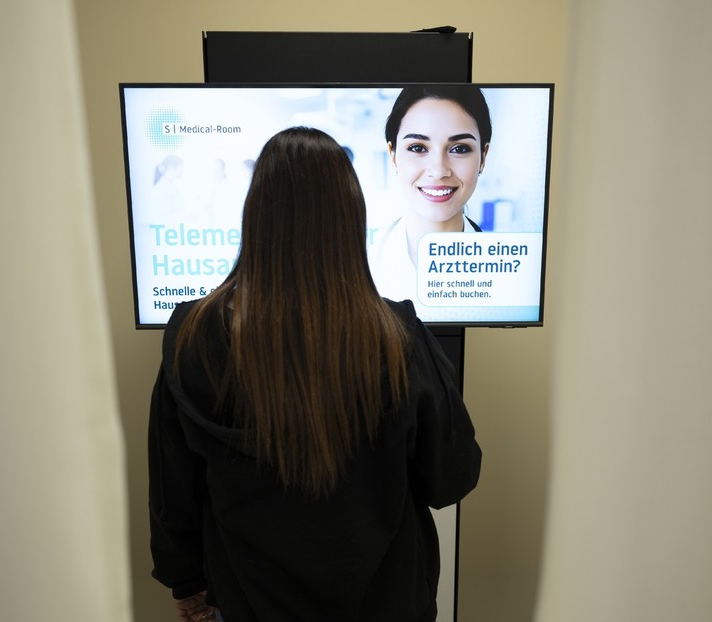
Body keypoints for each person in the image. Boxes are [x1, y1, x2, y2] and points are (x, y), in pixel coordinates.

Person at [148, 127, 482, 622]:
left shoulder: (194, 334)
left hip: (248, 603)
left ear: (255, 215)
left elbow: (172, 484)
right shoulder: (398, 337)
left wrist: (186, 582)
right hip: (386, 604)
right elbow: (450, 479)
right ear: (350, 218)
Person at [370, 86, 493, 303]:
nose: (438, 171)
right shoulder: (365, 262)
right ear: (393, 155)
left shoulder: (506, 273)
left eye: (459, 149)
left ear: (483, 157)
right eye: (418, 148)